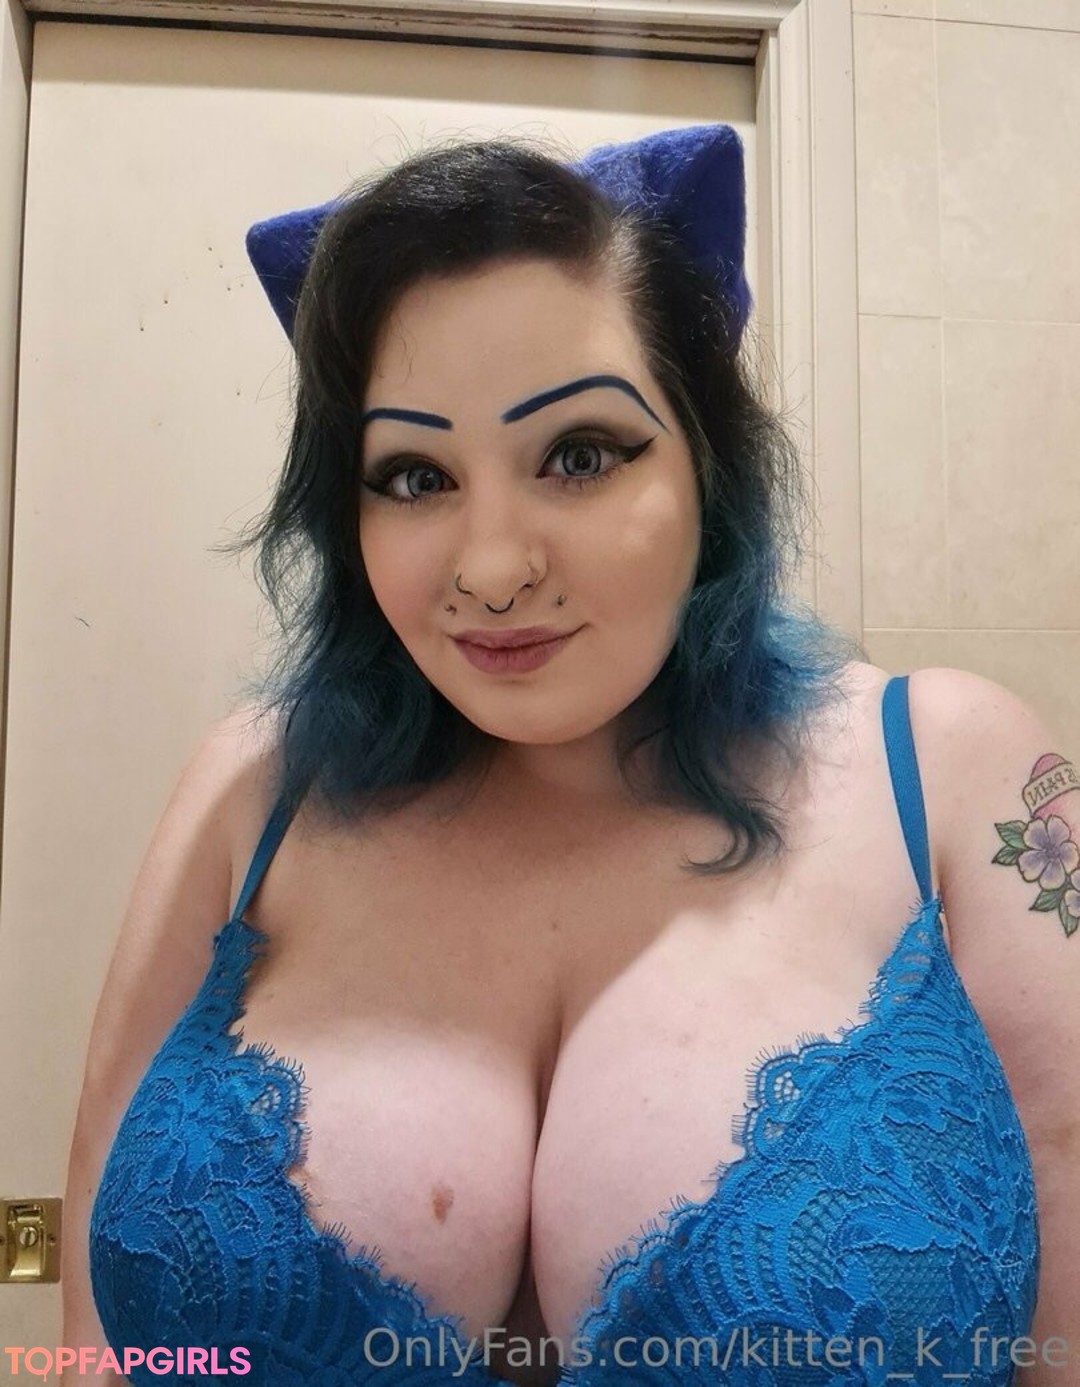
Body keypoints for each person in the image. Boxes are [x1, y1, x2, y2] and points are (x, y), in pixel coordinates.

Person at [62, 127, 1075, 1386]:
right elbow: (92, 1347)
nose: (492, 568)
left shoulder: (967, 779)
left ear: (709, 455)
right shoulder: (247, 790)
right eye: (413, 475)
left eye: (580, 456)